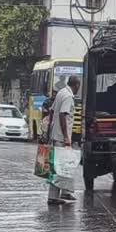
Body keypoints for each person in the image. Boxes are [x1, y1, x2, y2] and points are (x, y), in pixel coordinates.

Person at [48, 75, 81, 205]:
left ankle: (65, 192)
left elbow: (51, 112)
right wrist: (66, 137)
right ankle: (53, 196)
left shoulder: (61, 92)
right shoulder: (68, 97)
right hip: (61, 137)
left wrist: (49, 130)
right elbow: (62, 115)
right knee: (59, 167)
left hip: (56, 135)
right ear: (76, 86)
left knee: (66, 164)